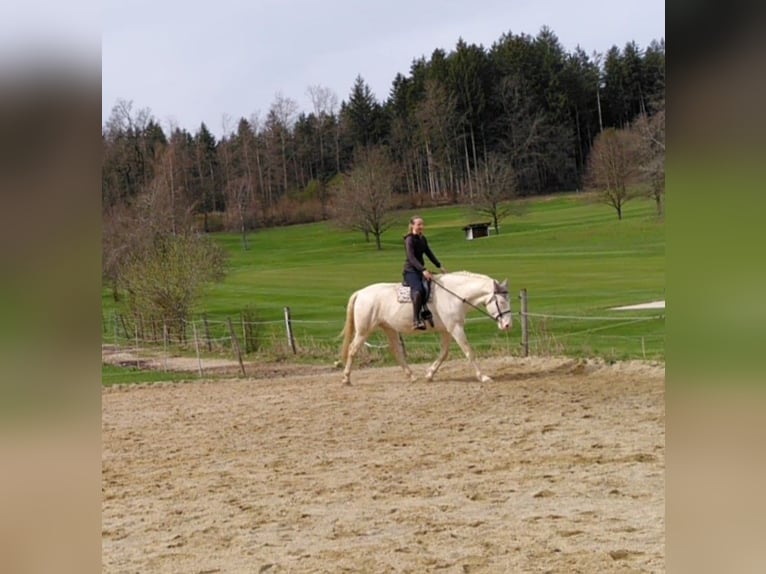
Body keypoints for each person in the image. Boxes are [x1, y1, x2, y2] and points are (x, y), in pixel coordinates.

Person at [402, 216, 447, 330]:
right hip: (411, 271)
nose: (421, 227)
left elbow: (429, 253)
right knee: (418, 291)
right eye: (418, 224)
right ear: (412, 225)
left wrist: (439, 265)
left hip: (421, 270)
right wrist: (423, 270)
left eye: (422, 224)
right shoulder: (409, 239)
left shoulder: (422, 239)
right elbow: (411, 258)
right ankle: (416, 320)